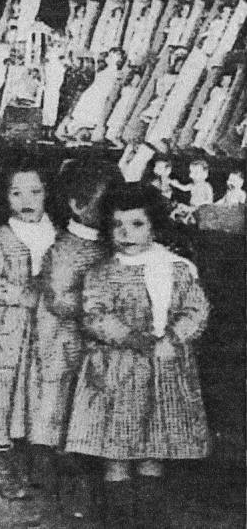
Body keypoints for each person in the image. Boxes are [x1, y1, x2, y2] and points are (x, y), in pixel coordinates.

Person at [66, 182, 211, 529]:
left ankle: (148, 516)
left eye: (136, 224)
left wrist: (172, 338)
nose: (125, 233)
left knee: (153, 446)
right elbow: (95, 315)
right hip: (117, 372)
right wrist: (133, 338)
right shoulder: (102, 273)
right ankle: (118, 517)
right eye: (117, 225)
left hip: (163, 368)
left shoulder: (176, 269)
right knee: (117, 449)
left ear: (154, 227)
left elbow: (196, 311)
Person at [27, 159, 119, 516]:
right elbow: (59, 300)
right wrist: (97, 305)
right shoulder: (66, 249)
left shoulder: (107, 245)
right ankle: (65, 481)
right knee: (62, 409)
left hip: (91, 343)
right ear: (77, 206)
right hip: (64, 342)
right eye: (104, 204)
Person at [0, 155, 57, 500]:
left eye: (35, 192)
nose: (26, 201)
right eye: (16, 193)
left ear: (48, 193)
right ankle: (3, 461)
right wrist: (20, 294)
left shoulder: (56, 236)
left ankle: (38, 459)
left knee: (39, 392)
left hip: (47, 331)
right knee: (2, 391)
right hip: (6, 329)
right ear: (3, 197)